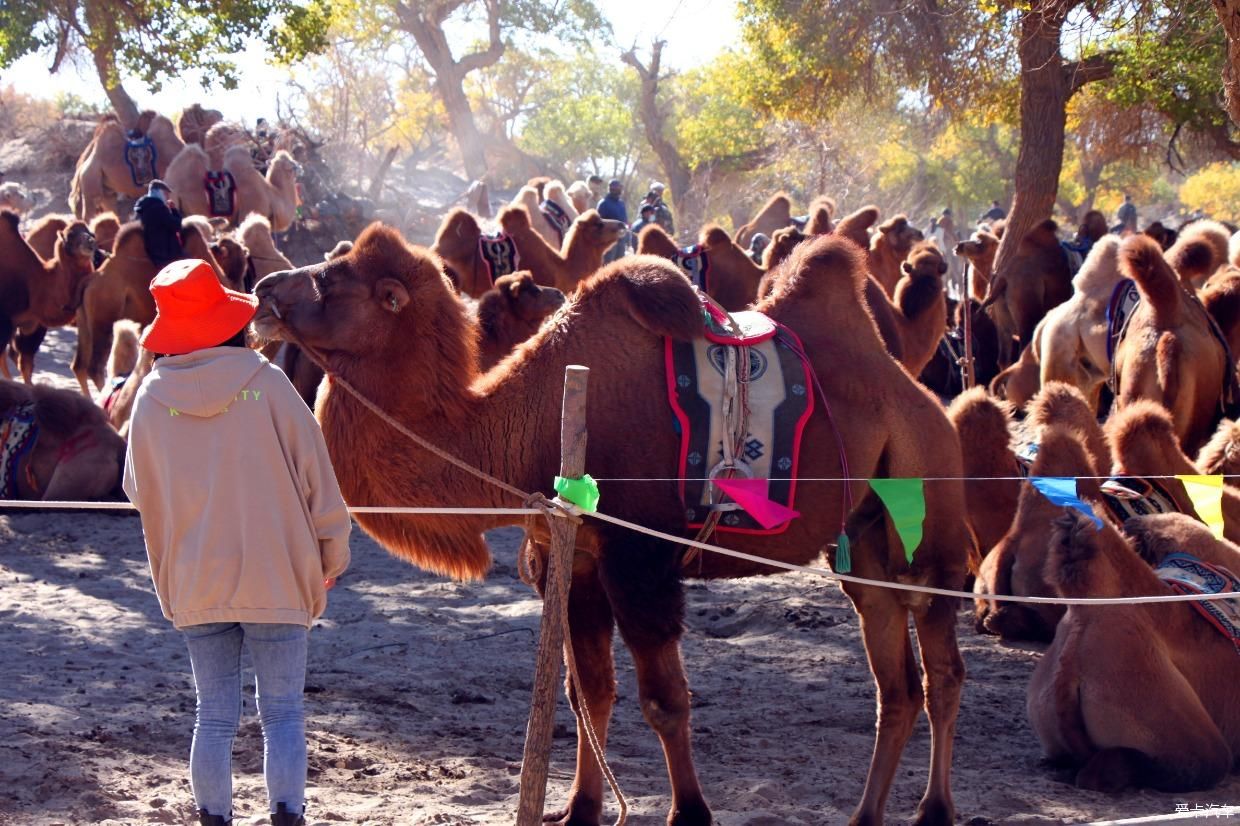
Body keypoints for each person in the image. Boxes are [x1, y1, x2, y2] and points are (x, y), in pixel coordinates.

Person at [122, 259, 352, 826]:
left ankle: (213, 818)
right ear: (230, 321)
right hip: (277, 574)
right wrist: (333, 551)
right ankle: (287, 816)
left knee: (213, 714)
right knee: (283, 713)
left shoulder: (151, 399)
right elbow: (317, 478)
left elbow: (134, 488)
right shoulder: (266, 384)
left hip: (197, 578)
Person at [135, 180, 184, 266]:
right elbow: (177, 225)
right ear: (159, 192)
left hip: (149, 250)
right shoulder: (159, 207)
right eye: (166, 194)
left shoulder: (142, 207)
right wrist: (174, 210)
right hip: (165, 253)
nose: (168, 197)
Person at [597, 179, 629, 263]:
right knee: (608, 264)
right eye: (617, 188)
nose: (620, 190)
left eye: (620, 188)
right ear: (612, 189)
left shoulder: (621, 203)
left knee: (620, 264)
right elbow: (599, 222)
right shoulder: (603, 203)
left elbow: (625, 220)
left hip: (621, 238)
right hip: (609, 240)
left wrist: (627, 238)